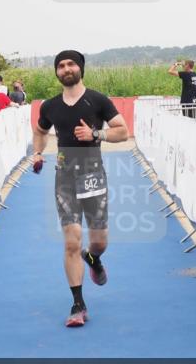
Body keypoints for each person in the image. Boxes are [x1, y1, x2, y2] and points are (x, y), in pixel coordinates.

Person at [32, 50, 129, 327]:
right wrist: (37, 154)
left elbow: (122, 130)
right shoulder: (50, 106)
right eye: (61, 65)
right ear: (57, 72)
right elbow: (39, 131)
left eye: (71, 64)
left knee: (99, 241)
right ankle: (78, 304)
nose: (66, 69)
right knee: (72, 240)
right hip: (64, 178)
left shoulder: (97, 100)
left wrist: (95, 134)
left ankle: (93, 257)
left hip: (93, 176)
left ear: (80, 68)